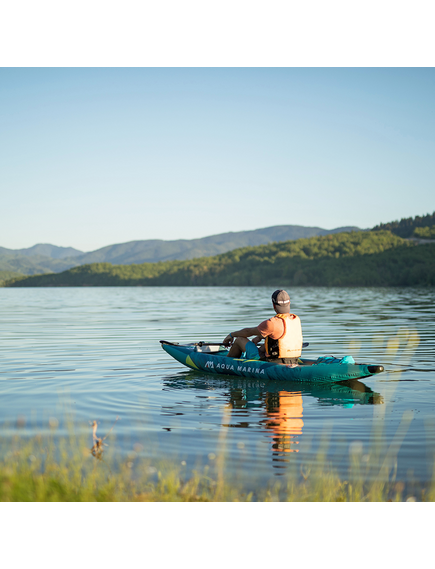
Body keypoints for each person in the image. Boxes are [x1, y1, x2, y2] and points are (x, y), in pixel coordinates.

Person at [222, 290, 303, 365]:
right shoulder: (296, 319)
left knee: (239, 339)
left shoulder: (271, 323)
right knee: (264, 346)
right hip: (292, 360)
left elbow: (248, 332)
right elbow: (281, 334)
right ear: (289, 303)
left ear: (274, 305)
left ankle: (225, 364)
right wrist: (260, 337)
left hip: (271, 362)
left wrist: (231, 335)